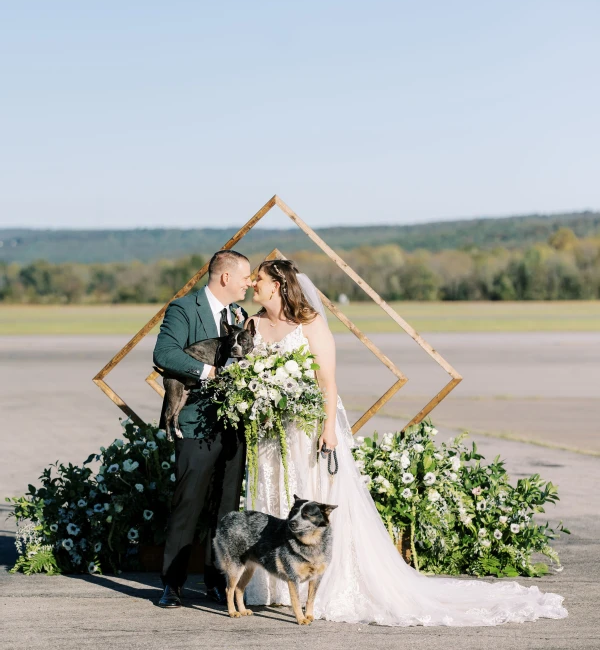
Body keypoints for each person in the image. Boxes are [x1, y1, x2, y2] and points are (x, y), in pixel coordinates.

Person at [243, 259, 567, 626]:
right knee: (275, 495)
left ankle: (319, 581)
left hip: (308, 426)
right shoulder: (252, 324)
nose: (254, 284)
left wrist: (329, 427)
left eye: (260, 279)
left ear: (279, 285)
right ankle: (275, 587)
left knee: (308, 494)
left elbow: (327, 381)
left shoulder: (309, 323)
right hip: (270, 432)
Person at [153, 249, 252, 608]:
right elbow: (164, 354)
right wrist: (210, 373)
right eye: (245, 277)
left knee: (226, 510)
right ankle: (173, 584)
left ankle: (216, 581)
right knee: (188, 503)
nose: (250, 283)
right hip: (195, 424)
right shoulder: (183, 308)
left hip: (233, 429)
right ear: (225, 277)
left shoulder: (240, 316)